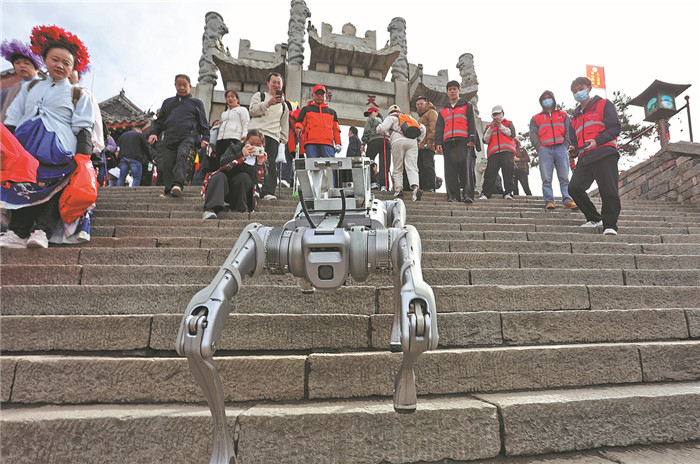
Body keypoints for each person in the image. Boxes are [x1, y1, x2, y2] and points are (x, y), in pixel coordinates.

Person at [1, 25, 93, 249]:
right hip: (25, 147)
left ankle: (43, 230)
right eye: (55, 59)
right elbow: (13, 118)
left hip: (60, 148)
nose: (60, 66)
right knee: (24, 187)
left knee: (53, 190)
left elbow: (84, 127)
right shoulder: (30, 88)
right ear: (45, 60)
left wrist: (84, 157)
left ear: (73, 67)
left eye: (66, 63)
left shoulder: (79, 94)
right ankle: (17, 232)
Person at [567, 76, 622, 235]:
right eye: (575, 91)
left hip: (604, 152)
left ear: (589, 88)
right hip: (585, 157)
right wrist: (574, 149)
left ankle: (610, 225)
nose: (578, 93)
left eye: (581, 89)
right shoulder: (575, 116)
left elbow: (615, 128)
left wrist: (597, 141)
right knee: (574, 187)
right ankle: (594, 218)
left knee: (608, 190)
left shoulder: (603, 104)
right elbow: (574, 140)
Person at [149, 74, 209, 197]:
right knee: (167, 162)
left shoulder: (196, 103)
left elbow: (203, 122)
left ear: (190, 86)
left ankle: (178, 184)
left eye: (184, 85)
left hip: (188, 136)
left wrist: (205, 138)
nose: (181, 87)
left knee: (182, 155)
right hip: (170, 136)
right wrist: (154, 133)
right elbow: (159, 121)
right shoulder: (168, 102)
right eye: (179, 85)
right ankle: (168, 189)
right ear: (175, 85)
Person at [202, 129, 267, 218]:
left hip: (243, 193)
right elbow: (223, 163)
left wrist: (260, 164)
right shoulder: (235, 148)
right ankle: (211, 209)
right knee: (219, 176)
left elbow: (261, 183)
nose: (254, 147)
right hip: (224, 186)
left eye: (258, 145)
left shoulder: (262, 159)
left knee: (243, 177)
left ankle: (238, 209)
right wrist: (241, 155)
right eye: (251, 144)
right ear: (245, 142)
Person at [529, 90, 577, 210]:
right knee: (546, 177)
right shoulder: (536, 118)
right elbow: (533, 134)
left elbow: (568, 131)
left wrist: (566, 144)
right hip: (544, 149)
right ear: (541, 102)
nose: (547, 100)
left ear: (554, 99)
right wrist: (539, 147)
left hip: (561, 147)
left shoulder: (563, 115)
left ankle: (567, 199)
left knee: (564, 176)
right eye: (544, 98)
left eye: (549, 97)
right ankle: (549, 200)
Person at [434, 80, 480, 203]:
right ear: (447, 92)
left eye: (455, 89)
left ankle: (467, 195)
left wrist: (472, 138)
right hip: (448, 142)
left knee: (466, 169)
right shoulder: (443, 110)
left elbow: (472, 123)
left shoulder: (467, 105)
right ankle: (453, 196)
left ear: (459, 91)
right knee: (450, 171)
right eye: (450, 89)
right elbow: (439, 128)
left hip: (463, 141)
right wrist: (438, 142)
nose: (452, 91)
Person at [248, 72, 289, 201]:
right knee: (252, 161)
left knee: (270, 163)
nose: (276, 85)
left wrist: (284, 138)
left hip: (273, 136)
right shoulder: (259, 96)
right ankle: (251, 188)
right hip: (256, 133)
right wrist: (268, 103)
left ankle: (267, 191)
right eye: (274, 82)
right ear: (268, 83)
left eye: (279, 83)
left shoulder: (284, 105)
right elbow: (252, 111)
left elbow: (284, 123)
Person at [376, 104, 426, 201]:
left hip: (397, 141)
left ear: (390, 112)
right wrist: (418, 140)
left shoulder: (391, 117)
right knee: (412, 167)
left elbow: (382, 129)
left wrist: (378, 127)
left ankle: (398, 188)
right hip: (412, 142)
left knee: (398, 166)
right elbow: (423, 128)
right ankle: (415, 188)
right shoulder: (409, 118)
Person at [1, 39, 43, 122]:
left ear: (37, 68)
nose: (22, 66)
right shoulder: (13, 87)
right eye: (17, 63)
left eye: (26, 63)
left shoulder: (43, 85)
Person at [295, 84, 341, 158]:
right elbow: (300, 122)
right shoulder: (306, 109)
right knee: (313, 168)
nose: (319, 96)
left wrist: (338, 143)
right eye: (317, 94)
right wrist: (298, 127)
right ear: (313, 95)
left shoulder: (332, 112)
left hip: (327, 144)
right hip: (311, 143)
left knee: (330, 168)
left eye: (321, 94)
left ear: (325, 96)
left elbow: (336, 130)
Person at [480, 105, 516, 200]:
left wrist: (500, 126)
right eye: (494, 114)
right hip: (494, 152)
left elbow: (512, 134)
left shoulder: (508, 123)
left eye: (498, 114)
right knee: (490, 173)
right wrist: (491, 128)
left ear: (502, 113)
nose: (496, 116)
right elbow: (485, 140)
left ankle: (508, 192)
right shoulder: (488, 126)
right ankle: (486, 193)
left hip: (507, 151)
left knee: (508, 172)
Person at [362, 106, 391, 191]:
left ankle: (373, 183)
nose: (369, 116)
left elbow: (366, 131)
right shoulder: (386, 121)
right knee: (385, 164)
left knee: (369, 161)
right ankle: (384, 185)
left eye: (370, 113)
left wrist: (363, 143)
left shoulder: (370, 120)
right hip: (385, 141)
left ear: (376, 112)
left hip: (374, 141)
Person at [216, 89, 249, 161]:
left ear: (237, 99)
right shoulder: (224, 113)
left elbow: (245, 123)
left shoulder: (242, 110)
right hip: (221, 139)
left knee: (229, 159)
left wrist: (244, 135)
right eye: (228, 97)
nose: (230, 98)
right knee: (219, 160)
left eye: (232, 96)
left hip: (233, 138)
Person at [415, 96, 438, 191]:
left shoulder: (431, 113)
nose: (419, 106)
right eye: (417, 105)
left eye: (421, 104)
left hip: (428, 145)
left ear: (427, 103)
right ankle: (424, 187)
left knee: (428, 166)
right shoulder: (421, 117)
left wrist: (430, 141)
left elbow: (434, 128)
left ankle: (431, 187)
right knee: (421, 168)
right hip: (420, 147)